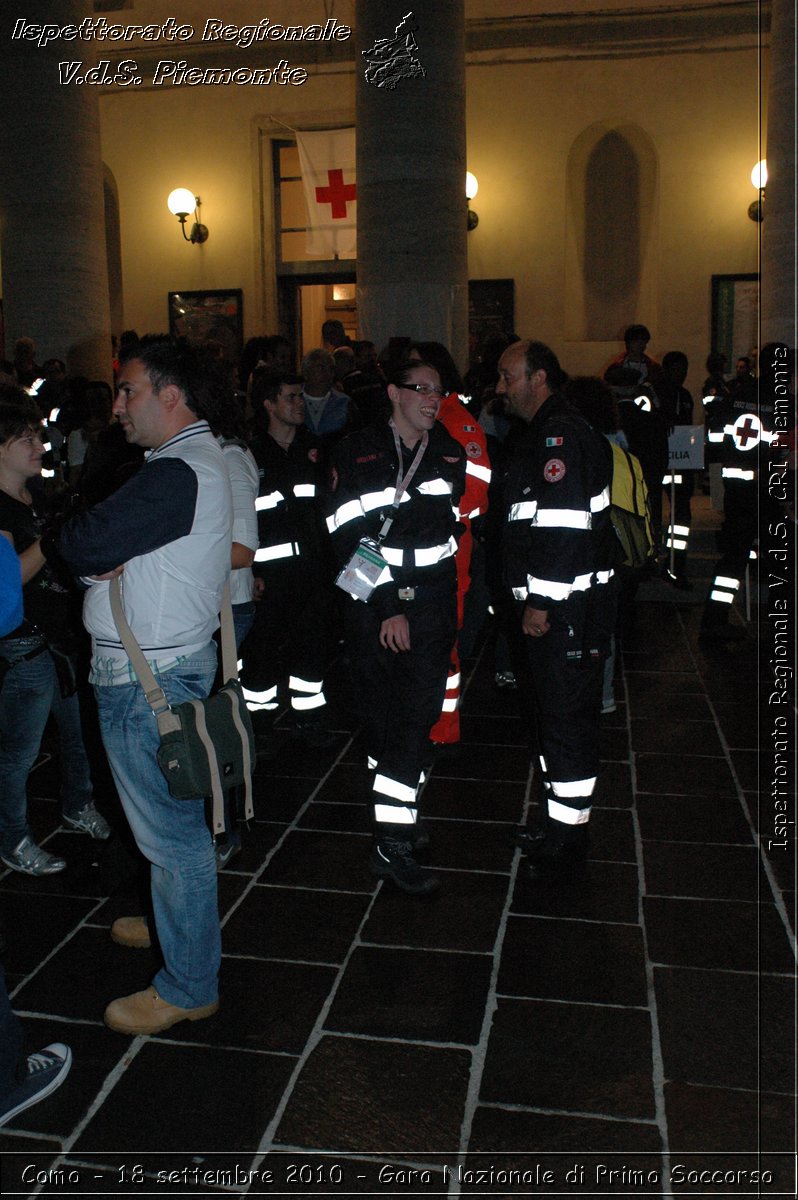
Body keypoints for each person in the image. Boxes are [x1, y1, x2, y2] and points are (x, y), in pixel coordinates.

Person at [54, 335, 233, 1035]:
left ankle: (189, 983)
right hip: (159, 669)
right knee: (171, 833)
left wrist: (94, 546)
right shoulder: (188, 462)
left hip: (145, 681)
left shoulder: (175, 472)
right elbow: (99, 544)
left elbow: (81, 540)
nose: (117, 405)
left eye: (128, 390)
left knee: (174, 839)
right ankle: (175, 928)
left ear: (170, 394)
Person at [326, 358, 466, 894]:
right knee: (385, 724)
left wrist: (422, 602)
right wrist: (388, 605)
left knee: (415, 720)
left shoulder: (449, 450)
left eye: (439, 390)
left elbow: (443, 532)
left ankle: (394, 835)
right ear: (393, 393)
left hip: (430, 607)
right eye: (421, 389)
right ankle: (396, 814)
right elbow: (346, 535)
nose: (433, 398)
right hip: (373, 610)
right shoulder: (356, 451)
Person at [497, 341, 617, 881]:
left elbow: (564, 529)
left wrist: (541, 601)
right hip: (556, 610)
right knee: (549, 719)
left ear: (538, 377)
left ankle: (569, 837)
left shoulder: (560, 437)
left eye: (508, 377)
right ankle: (554, 823)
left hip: (565, 612)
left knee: (566, 723)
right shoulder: (547, 433)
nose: (501, 389)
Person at [0, 392, 110, 876]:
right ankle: (13, 840)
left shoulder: (40, 495)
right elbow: (12, 580)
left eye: (37, 435)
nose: (38, 445)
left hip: (63, 633)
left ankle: (77, 804)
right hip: (23, 643)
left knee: (79, 733)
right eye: (25, 438)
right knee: (18, 753)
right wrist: (51, 539)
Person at [240, 370, 336, 751]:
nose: (300, 404)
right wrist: (250, 570)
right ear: (269, 404)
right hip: (268, 576)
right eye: (291, 397)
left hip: (312, 572)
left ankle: (308, 720)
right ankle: (258, 725)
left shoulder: (316, 450)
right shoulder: (248, 453)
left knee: (312, 647)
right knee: (260, 652)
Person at [407, 341, 491, 748]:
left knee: (444, 643)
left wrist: (430, 517)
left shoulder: (459, 422)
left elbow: (476, 494)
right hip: (420, 553)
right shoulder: (425, 420)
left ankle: (441, 729)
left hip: (450, 552)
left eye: (427, 381)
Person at [659, 350, 696, 589]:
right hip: (659, 463)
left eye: (684, 370)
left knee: (682, 514)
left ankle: (676, 563)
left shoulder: (685, 396)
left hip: (682, 463)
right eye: (677, 370)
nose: (681, 375)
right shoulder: (655, 394)